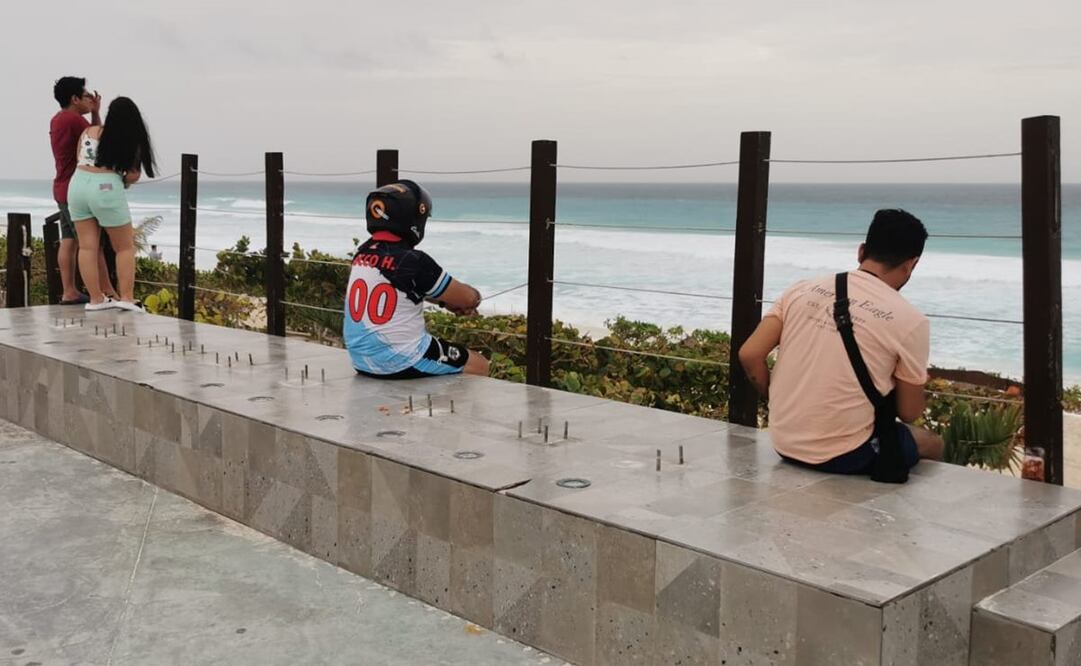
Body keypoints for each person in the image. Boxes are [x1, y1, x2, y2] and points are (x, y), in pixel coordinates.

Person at [738, 209, 944, 477]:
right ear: (911, 265)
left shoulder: (801, 290)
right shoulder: (911, 320)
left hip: (783, 441)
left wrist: (776, 397)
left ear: (861, 252)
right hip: (847, 454)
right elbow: (909, 411)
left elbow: (749, 354)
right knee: (933, 443)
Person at [343, 180, 489, 378]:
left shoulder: (362, 254)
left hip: (361, 361)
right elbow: (467, 299)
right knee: (480, 365)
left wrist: (443, 302)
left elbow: (401, 287)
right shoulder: (414, 261)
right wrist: (474, 298)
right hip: (401, 360)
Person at [67, 96, 157, 312]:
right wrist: (121, 181)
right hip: (106, 187)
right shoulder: (128, 140)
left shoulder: (89, 132)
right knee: (124, 247)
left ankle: (96, 299)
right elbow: (133, 175)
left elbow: (79, 157)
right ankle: (126, 298)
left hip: (77, 184)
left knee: (87, 246)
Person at [49, 77, 118, 304]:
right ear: (74, 98)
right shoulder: (73, 120)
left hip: (61, 187)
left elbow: (91, 135)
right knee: (91, 243)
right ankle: (107, 292)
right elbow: (98, 138)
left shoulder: (58, 119)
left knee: (69, 240)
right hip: (77, 189)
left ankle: (69, 291)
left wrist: (94, 112)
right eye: (86, 95)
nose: (90, 99)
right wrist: (96, 113)